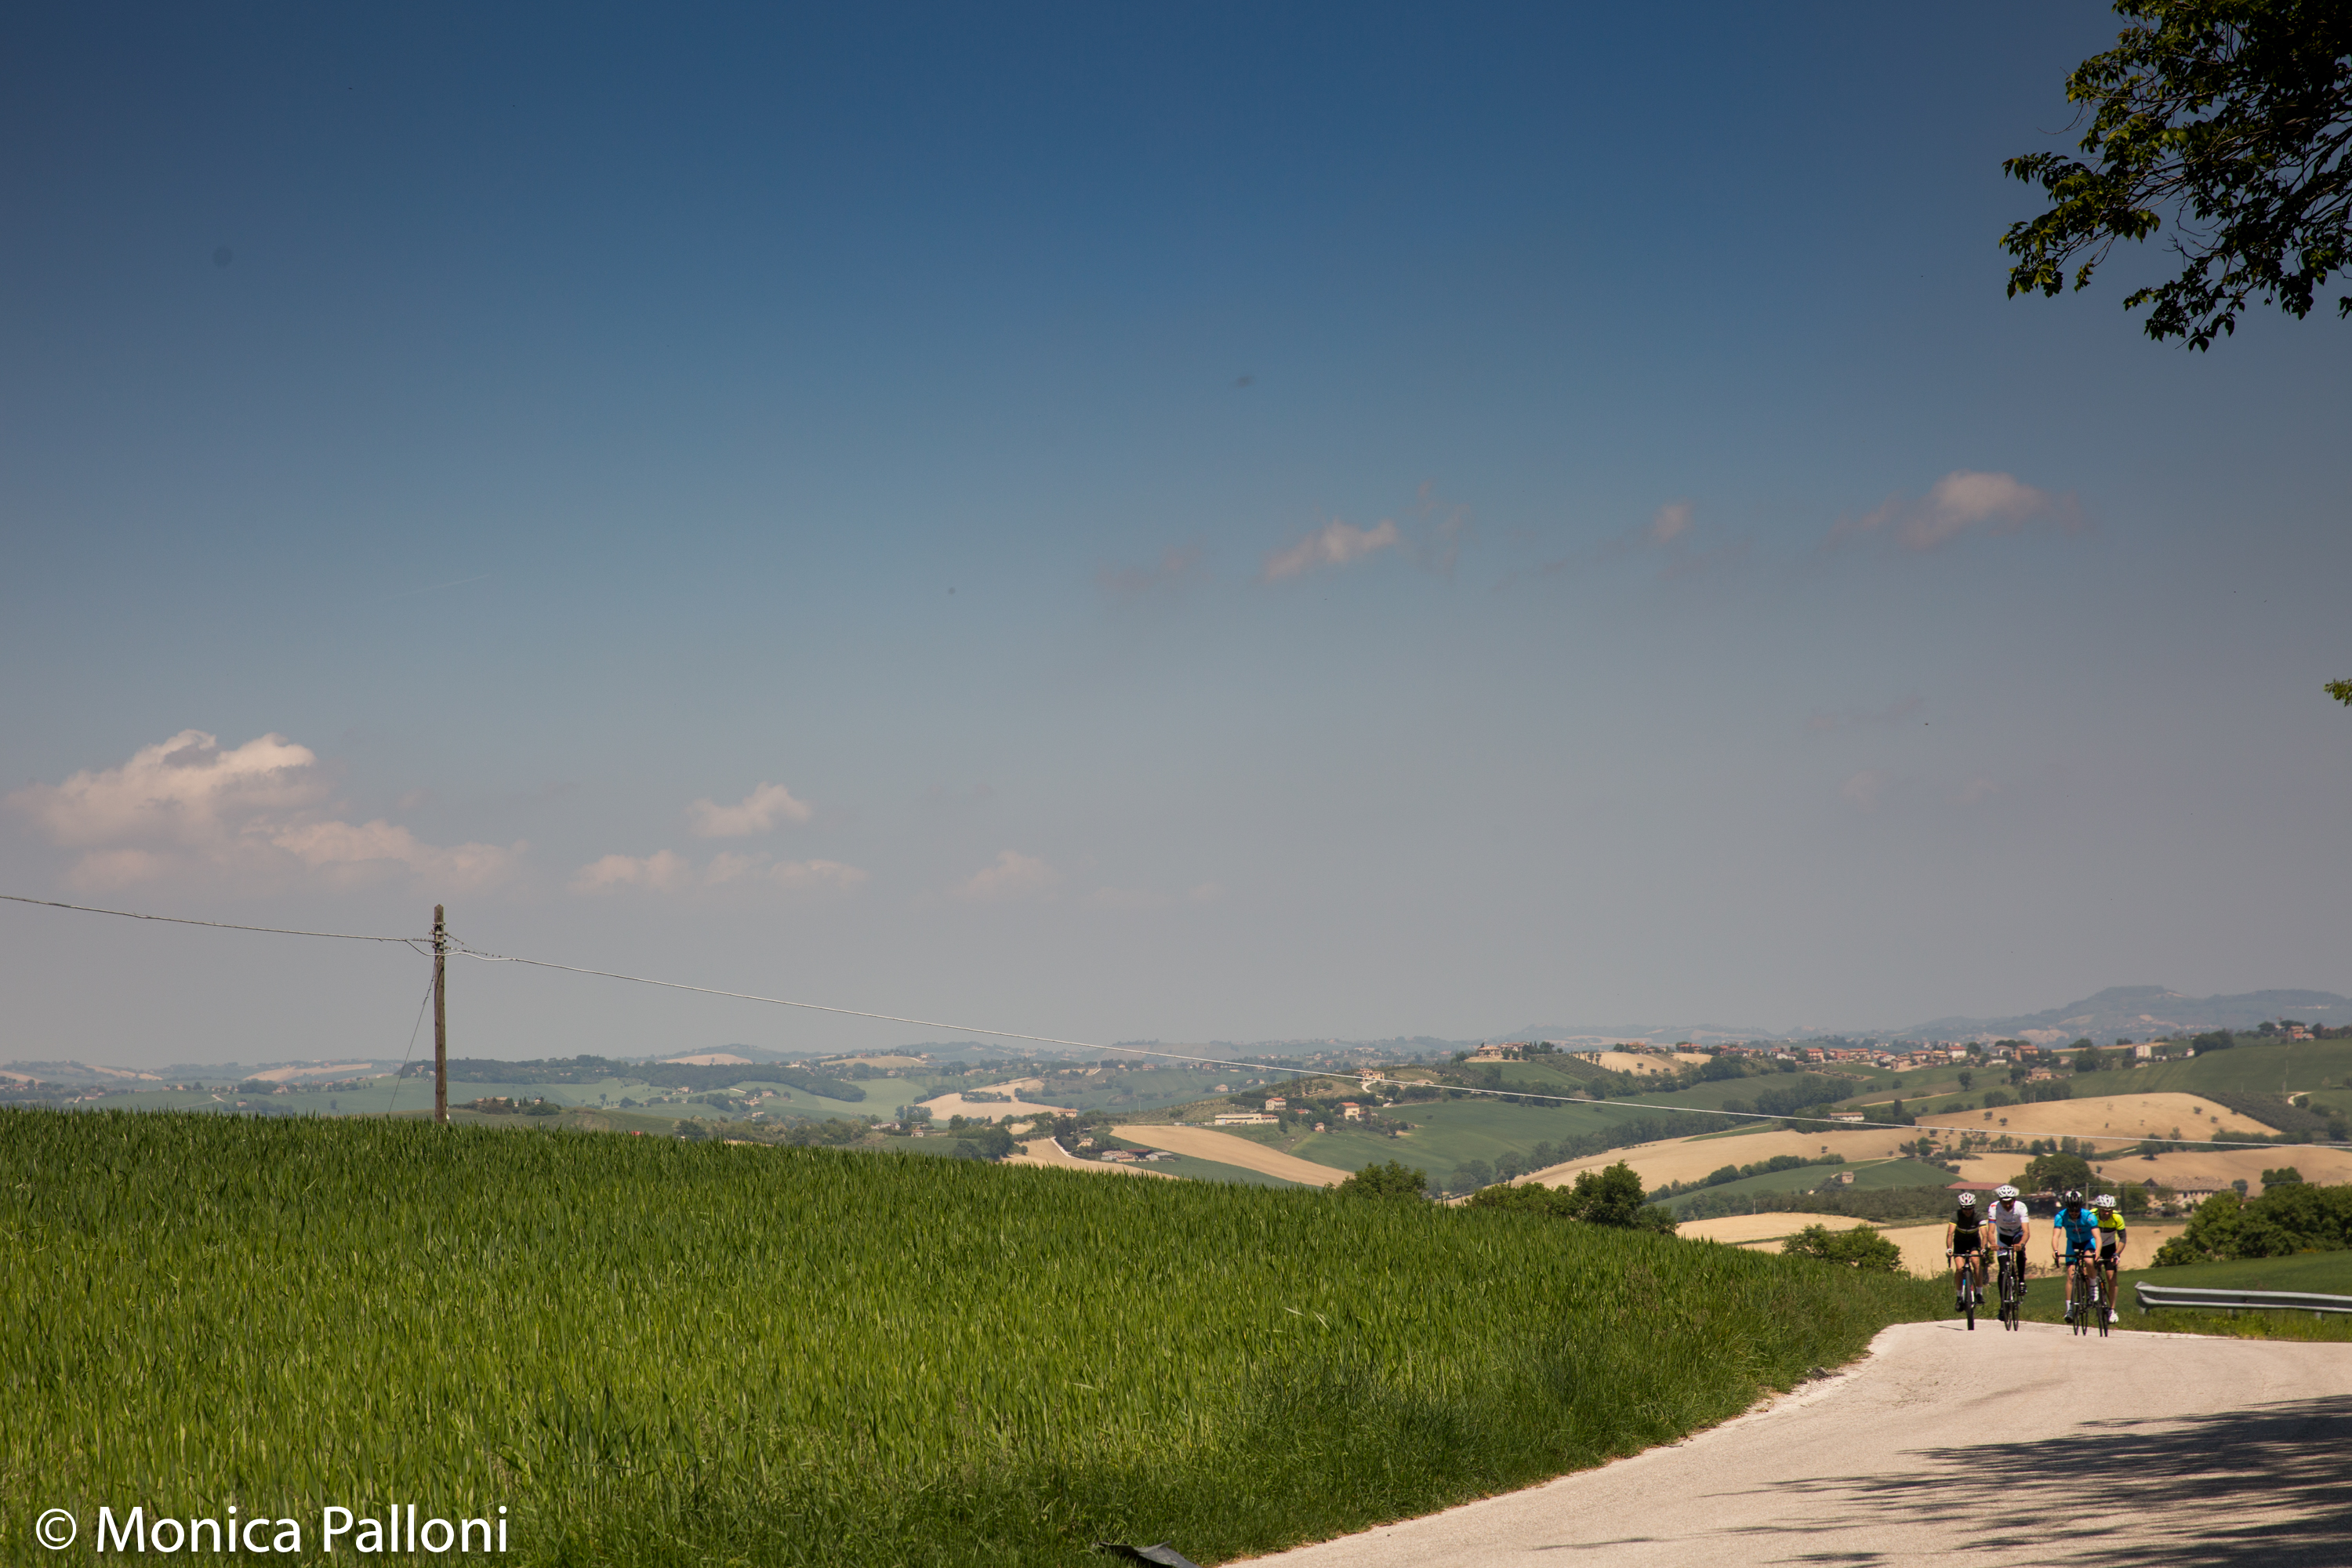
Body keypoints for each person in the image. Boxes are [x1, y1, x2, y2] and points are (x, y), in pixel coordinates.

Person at [2051, 1189, 2100, 1322]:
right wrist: (2055, 1250)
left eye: (2077, 1210)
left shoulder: (2089, 1216)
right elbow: (2056, 1236)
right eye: (2071, 1210)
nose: (2074, 1213)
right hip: (2072, 1243)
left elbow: (2097, 1237)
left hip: (2087, 1243)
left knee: (2089, 1262)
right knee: (2070, 1275)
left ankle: (2092, 1286)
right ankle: (2070, 1310)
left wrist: (2098, 1252)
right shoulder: (2061, 1216)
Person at [1986, 1183, 2031, 1298]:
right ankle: (2003, 1304)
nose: (2007, 1205)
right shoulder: (1993, 1208)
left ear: (2014, 1200)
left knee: (2020, 1252)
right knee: (2002, 1271)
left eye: (2009, 1202)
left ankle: (2021, 1281)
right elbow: (1990, 1231)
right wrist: (1992, 1243)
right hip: (2003, 1237)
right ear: (1999, 1200)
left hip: (2017, 1234)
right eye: (2004, 1202)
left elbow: (2026, 1232)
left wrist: (2021, 1244)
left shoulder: (2021, 1207)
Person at [1946, 1191, 1987, 1311]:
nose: (1968, 1211)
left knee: (1976, 1262)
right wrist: (1949, 1248)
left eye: (1970, 1209)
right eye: (1965, 1209)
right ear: (1961, 1208)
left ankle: (1979, 1293)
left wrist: (1984, 1249)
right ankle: (1959, 1297)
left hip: (1974, 1242)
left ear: (1974, 1207)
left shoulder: (1979, 1216)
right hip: (1959, 1243)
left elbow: (1984, 1234)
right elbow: (1950, 1233)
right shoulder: (1956, 1216)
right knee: (1959, 1269)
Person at [2094, 1193, 2129, 1323]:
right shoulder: (2091, 1216)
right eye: (2104, 1210)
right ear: (2098, 1208)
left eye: (2110, 1210)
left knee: (2111, 1278)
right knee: (2089, 1271)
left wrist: (2117, 1253)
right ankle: (2093, 1292)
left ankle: (2112, 1310)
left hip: (2109, 1248)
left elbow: (2123, 1238)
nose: (2107, 1213)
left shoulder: (2117, 1218)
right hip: (2094, 1246)